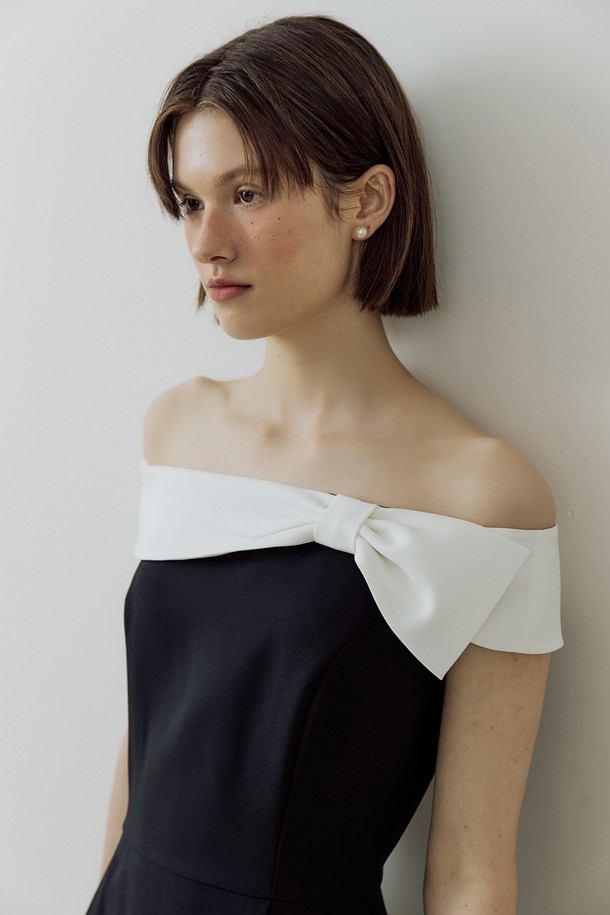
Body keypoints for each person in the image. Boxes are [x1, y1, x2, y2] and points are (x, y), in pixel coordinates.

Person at [85, 15, 562, 915]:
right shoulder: (178, 427)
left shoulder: (486, 495)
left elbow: (471, 867)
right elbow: (148, 751)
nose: (206, 241)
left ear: (367, 200)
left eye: (248, 193)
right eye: (189, 201)